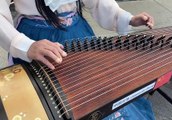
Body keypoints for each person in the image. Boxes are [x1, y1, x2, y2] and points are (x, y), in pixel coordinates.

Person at [0, 0, 155, 119]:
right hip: (37, 39)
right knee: (49, 102)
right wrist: (24, 45)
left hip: (76, 33)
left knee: (94, 93)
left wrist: (127, 18)